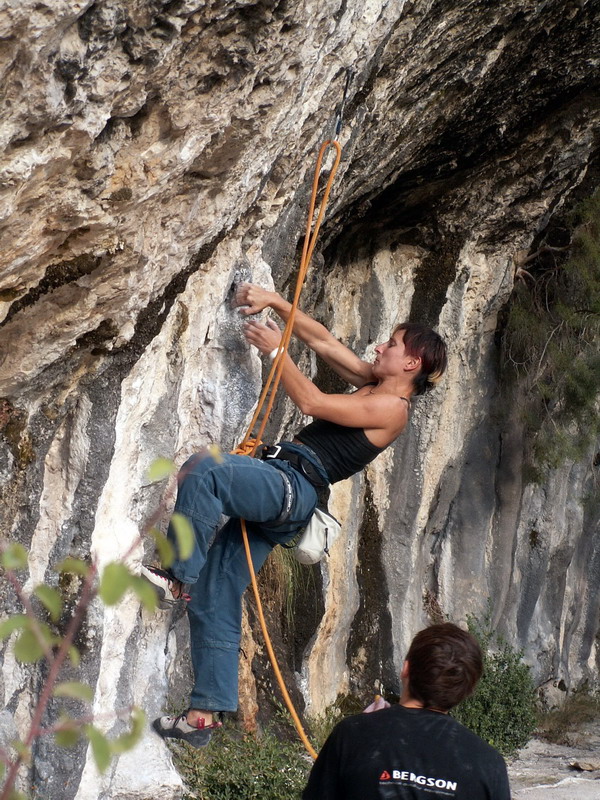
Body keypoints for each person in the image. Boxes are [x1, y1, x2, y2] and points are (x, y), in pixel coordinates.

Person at [142, 282, 447, 747]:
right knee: (216, 592)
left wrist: (275, 351)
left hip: (294, 487)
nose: (380, 347)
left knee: (207, 470)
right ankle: (203, 715)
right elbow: (322, 340)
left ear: (411, 363)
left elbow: (313, 403)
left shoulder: (391, 407)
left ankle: (178, 577)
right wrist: (277, 303)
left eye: (392, 344)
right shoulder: (373, 383)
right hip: (288, 490)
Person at [302, 622, 511, 800]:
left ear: (406, 668)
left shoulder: (350, 735)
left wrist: (365, 737)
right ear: (467, 690)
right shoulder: (488, 763)